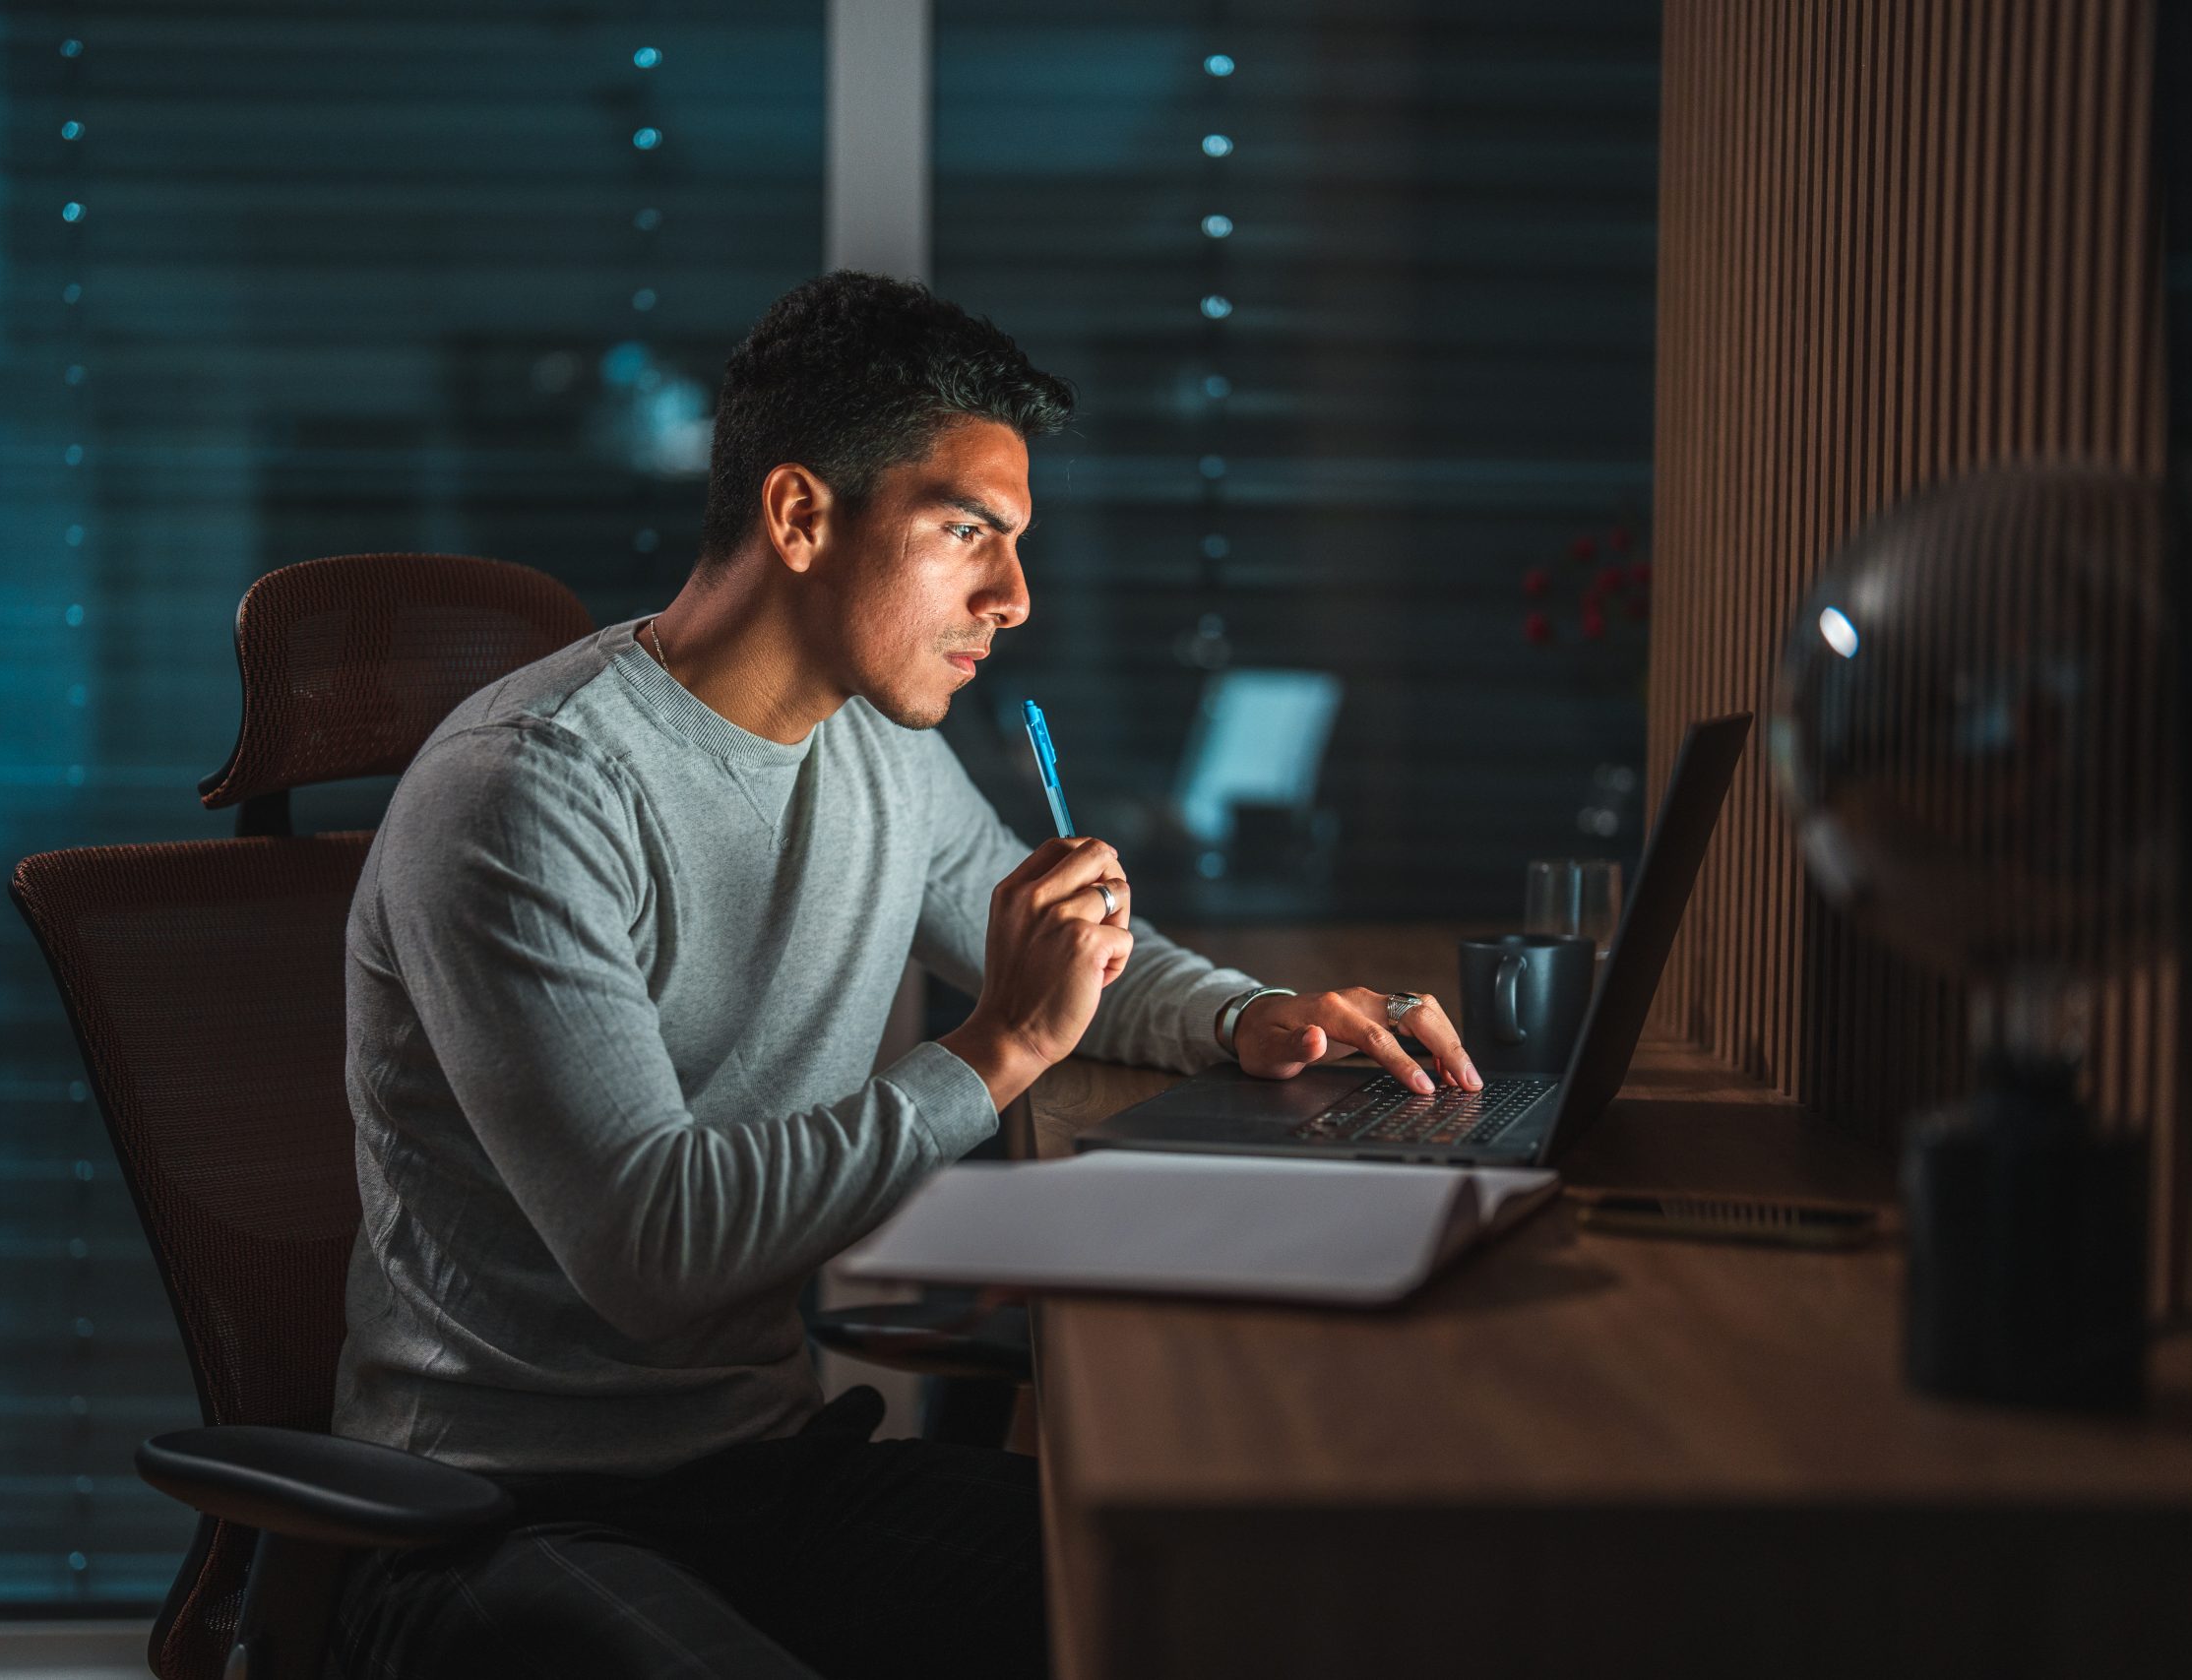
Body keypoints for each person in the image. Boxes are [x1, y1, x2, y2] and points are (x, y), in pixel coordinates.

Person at [326, 271, 1480, 1680]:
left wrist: (1250, 1015)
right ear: (802, 515)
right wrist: (993, 1053)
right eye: (968, 534)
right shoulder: (528, 793)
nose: (1015, 596)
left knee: (1242, 1605)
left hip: (756, 1478)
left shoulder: (877, 749)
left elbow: (1071, 967)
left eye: (1017, 542)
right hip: (494, 1523)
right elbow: (653, 1255)